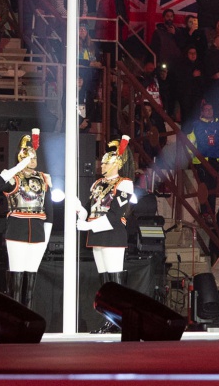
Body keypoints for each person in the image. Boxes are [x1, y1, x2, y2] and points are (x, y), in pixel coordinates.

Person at [76, 136, 134, 331]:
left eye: (105, 162)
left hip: (112, 234)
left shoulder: (124, 184)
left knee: (115, 279)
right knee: (104, 282)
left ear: (116, 163)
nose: (101, 165)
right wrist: (78, 209)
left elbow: (116, 214)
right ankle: (108, 319)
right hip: (97, 235)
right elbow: (88, 209)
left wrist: (88, 226)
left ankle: (120, 319)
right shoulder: (97, 184)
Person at [0, 129, 52, 309]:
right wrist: (17, 167)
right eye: (28, 158)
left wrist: (47, 230)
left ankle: (28, 311)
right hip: (17, 227)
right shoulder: (14, 177)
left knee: (32, 272)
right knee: (17, 271)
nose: (32, 161)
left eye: (34, 158)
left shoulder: (43, 177)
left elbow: (48, 206)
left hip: (38, 228)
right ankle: (15, 310)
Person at [188, 103, 219, 221]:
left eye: (211, 109)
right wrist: (191, 156)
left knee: (213, 186)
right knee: (204, 186)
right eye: (206, 109)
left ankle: (211, 213)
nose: (209, 111)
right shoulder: (196, 125)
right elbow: (190, 143)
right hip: (201, 160)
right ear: (202, 112)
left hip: (216, 159)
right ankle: (204, 212)